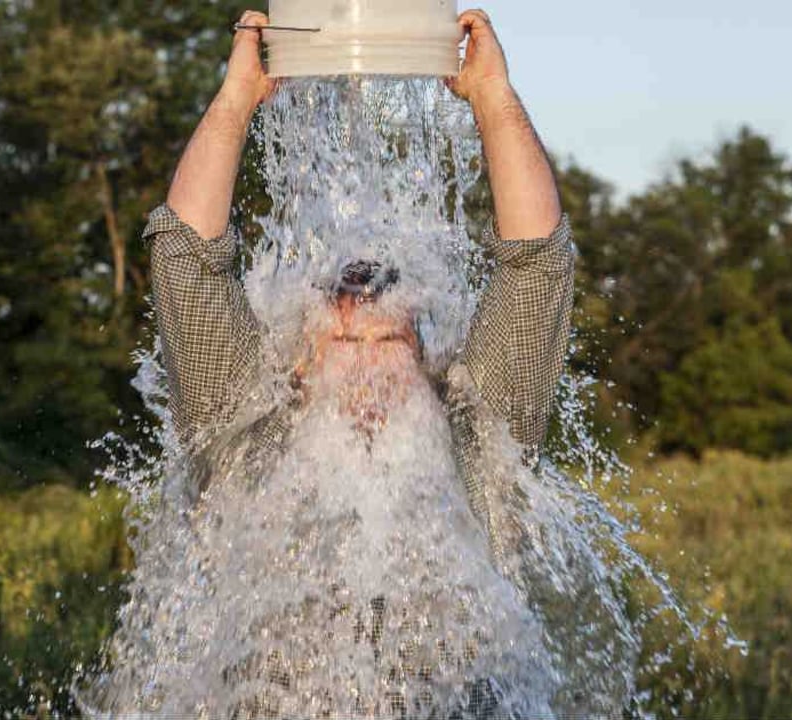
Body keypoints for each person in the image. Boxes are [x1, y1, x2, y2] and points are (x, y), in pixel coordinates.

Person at [101, 8, 601, 718]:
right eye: (345, 343)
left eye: (388, 344)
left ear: (426, 358)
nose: (366, 356)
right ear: (299, 366)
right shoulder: (243, 439)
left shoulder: (478, 443)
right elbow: (185, 258)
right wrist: (236, 98)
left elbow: (537, 265)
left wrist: (493, 98)